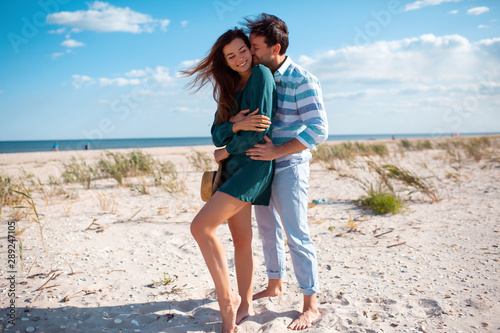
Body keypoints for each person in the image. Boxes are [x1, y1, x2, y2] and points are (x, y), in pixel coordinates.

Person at [181, 28, 276, 333]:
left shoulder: (261, 75)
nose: (238, 59)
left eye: (241, 51)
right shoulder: (229, 87)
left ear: (251, 50)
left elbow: (258, 132)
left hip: (254, 166)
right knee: (241, 239)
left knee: (201, 226)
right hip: (233, 168)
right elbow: (215, 131)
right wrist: (233, 129)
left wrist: (226, 149)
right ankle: (245, 303)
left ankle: (228, 303)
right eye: (230, 56)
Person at [242, 13, 329, 330]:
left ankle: (311, 304)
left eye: (255, 46)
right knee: (267, 230)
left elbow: (319, 130)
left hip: (290, 164)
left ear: (275, 47)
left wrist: (278, 151)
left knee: (297, 234)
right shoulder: (259, 75)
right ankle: (275, 284)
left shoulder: (303, 79)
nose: (251, 52)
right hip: (261, 166)